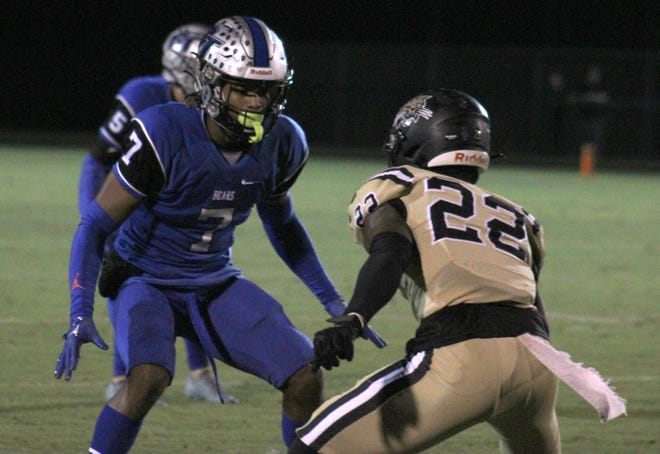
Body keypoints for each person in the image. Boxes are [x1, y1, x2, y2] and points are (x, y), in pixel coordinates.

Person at [54, 16, 384, 453]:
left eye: (266, 91)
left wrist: (333, 301)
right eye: (243, 88)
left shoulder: (284, 141)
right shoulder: (163, 131)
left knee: (306, 373)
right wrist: (80, 311)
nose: (255, 102)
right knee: (147, 377)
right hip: (143, 278)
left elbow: (283, 225)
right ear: (210, 83)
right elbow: (95, 225)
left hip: (213, 281)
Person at [289, 89, 627, 453]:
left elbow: (390, 251)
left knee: (314, 446)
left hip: (462, 354)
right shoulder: (518, 215)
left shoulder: (401, 186)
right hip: (537, 365)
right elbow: (536, 309)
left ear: (416, 142)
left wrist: (355, 317)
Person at [77, 23, 238, 404]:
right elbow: (97, 159)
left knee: (199, 281)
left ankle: (199, 375)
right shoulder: (142, 94)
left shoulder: (211, 107)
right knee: (125, 284)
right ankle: (121, 378)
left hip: (176, 207)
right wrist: (96, 221)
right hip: (129, 202)